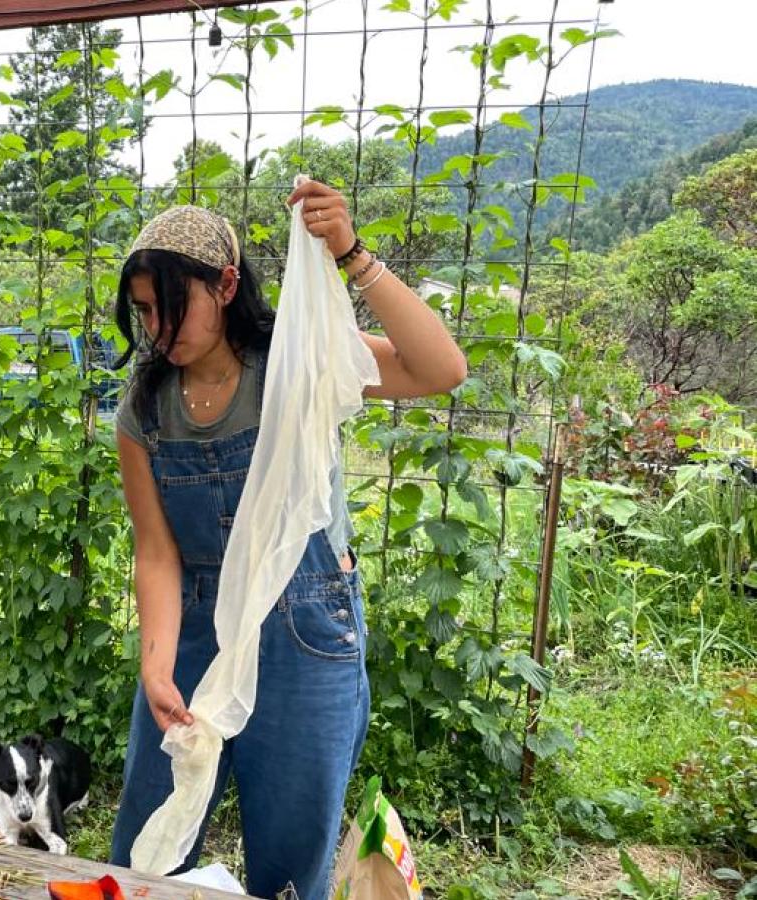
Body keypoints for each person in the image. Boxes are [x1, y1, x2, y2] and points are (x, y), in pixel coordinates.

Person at [106, 181, 468, 898]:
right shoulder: (144, 410)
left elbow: (441, 370)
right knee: (142, 857)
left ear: (227, 285)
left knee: (289, 863)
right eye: (145, 310)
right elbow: (158, 553)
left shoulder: (299, 363)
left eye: (172, 305)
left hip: (306, 628)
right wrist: (155, 667)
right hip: (196, 633)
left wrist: (352, 254)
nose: (157, 327)